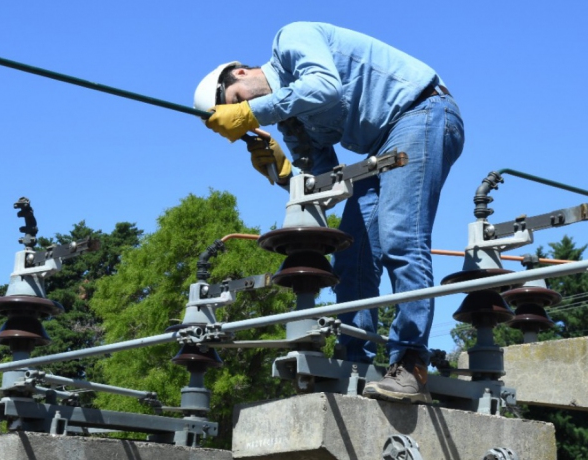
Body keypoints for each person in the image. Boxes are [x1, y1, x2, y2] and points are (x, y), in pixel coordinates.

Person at [194, 22, 464, 404]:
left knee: (400, 236)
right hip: (383, 146)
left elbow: (324, 86)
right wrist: (285, 172)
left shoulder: (290, 39)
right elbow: (324, 183)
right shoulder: (289, 119)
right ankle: (354, 362)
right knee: (351, 257)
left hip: (422, 112)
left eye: (237, 101)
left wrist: (252, 112)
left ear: (239, 73)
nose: (242, 112)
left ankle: (411, 363)